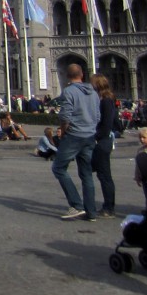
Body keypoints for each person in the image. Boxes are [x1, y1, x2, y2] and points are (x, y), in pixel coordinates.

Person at [52, 63, 100, 221]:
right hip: (90, 135)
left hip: (74, 136)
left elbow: (65, 116)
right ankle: (91, 212)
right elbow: (98, 116)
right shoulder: (93, 92)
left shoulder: (69, 92)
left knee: (59, 168)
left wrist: (63, 131)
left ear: (67, 76)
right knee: (86, 174)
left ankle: (76, 205)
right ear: (82, 75)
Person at [91, 74, 119, 218]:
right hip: (102, 141)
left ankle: (109, 207)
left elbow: (107, 125)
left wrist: (95, 137)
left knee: (105, 176)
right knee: (101, 174)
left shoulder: (106, 101)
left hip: (102, 142)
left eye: (92, 84)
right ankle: (106, 206)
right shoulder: (104, 100)